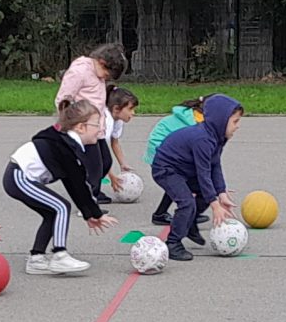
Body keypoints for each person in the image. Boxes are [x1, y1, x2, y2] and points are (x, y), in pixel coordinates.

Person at [4, 99, 117, 276]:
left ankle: (37, 258)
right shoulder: (65, 147)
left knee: (52, 212)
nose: (101, 129)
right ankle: (59, 255)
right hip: (18, 176)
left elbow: (74, 185)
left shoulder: (66, 144)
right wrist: (95, 213)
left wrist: (90, 213)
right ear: (80, 127)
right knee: (61, 206)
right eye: (96, 124)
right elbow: (78, 186)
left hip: (19, 177)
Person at [148, 93, 242, 261]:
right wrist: (215, 205)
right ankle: (173, 243)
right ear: (220, 121)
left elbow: (215, 164)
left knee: (208, 193)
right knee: (187, 203)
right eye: (235, 121)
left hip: (183, 168)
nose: (237, 126)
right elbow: (203, 172)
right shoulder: (203, 139)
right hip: (166, 169)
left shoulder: (218, 137)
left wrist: (221, 193)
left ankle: (190, 223)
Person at [56, 43, 126, 194]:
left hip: (96, 129)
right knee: (94, 168)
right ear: (102, 62)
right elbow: (63, 99)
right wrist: (69, 124)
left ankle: (86, 187)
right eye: (107, 75)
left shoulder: (97, 72)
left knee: (105, 162)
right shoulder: (79, 71)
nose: (105, 79)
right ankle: (88, 204)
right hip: (83, 128)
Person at [145, 99, 202, 225]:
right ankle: (186, 214)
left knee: (176, 182)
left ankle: (161, 213)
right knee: (180, 179)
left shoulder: (193, 115)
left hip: (163, 150)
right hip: (160, 152)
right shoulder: (197, 123)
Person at [103, 85, 141, 191]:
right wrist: (111, 176)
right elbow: (100, 154)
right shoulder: (106, 121)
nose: (133, 113)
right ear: (116, 109)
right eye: (130, 109)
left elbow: (115, 142)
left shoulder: (117, 120)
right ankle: (92, 192)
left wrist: (123, 164)